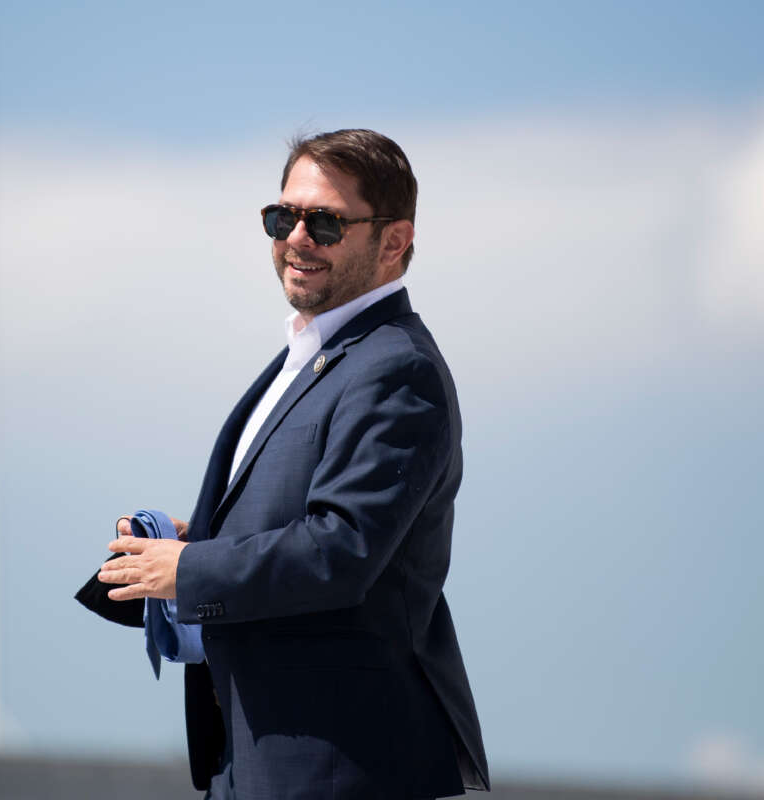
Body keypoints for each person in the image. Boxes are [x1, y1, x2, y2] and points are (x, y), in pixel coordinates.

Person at [98, 129, 488, 799]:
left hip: (341, 772)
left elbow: (343, 549)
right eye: (283, 217)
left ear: (394, 242)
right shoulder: (312, 360)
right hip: (260, 765)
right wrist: (201, 542)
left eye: (326, 222)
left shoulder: (398, 368)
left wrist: (189, 570)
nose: (297, 238)